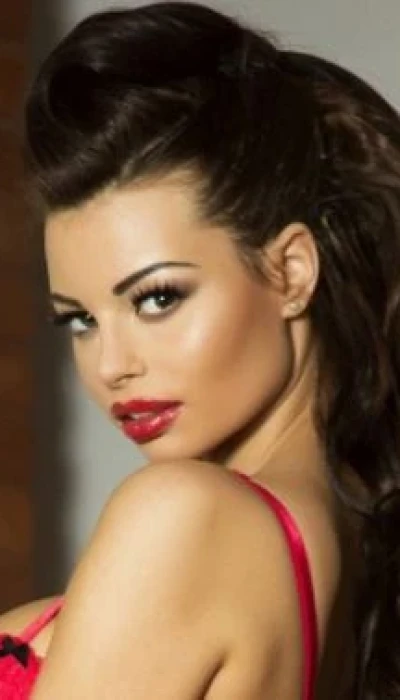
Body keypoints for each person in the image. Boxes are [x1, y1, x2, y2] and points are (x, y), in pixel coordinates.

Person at [1, 1, 399, 697]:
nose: (111, 366)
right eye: (80, 320)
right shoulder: (336, 550)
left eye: (158, 298)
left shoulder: (185, 519)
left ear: (291, 272)